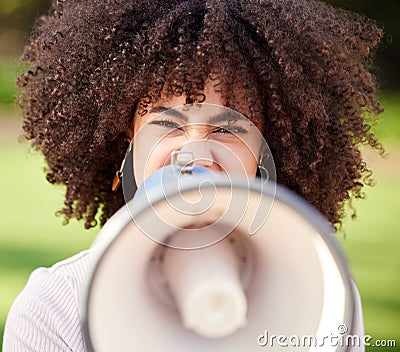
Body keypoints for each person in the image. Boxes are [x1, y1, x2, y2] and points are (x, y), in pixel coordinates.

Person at [3, 0, 383, 350]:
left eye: (228, 129)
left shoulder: (325, 300)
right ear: (128, 140)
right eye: (168, 124)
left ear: (269, 152)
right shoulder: (52, 309)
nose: (196, 155)